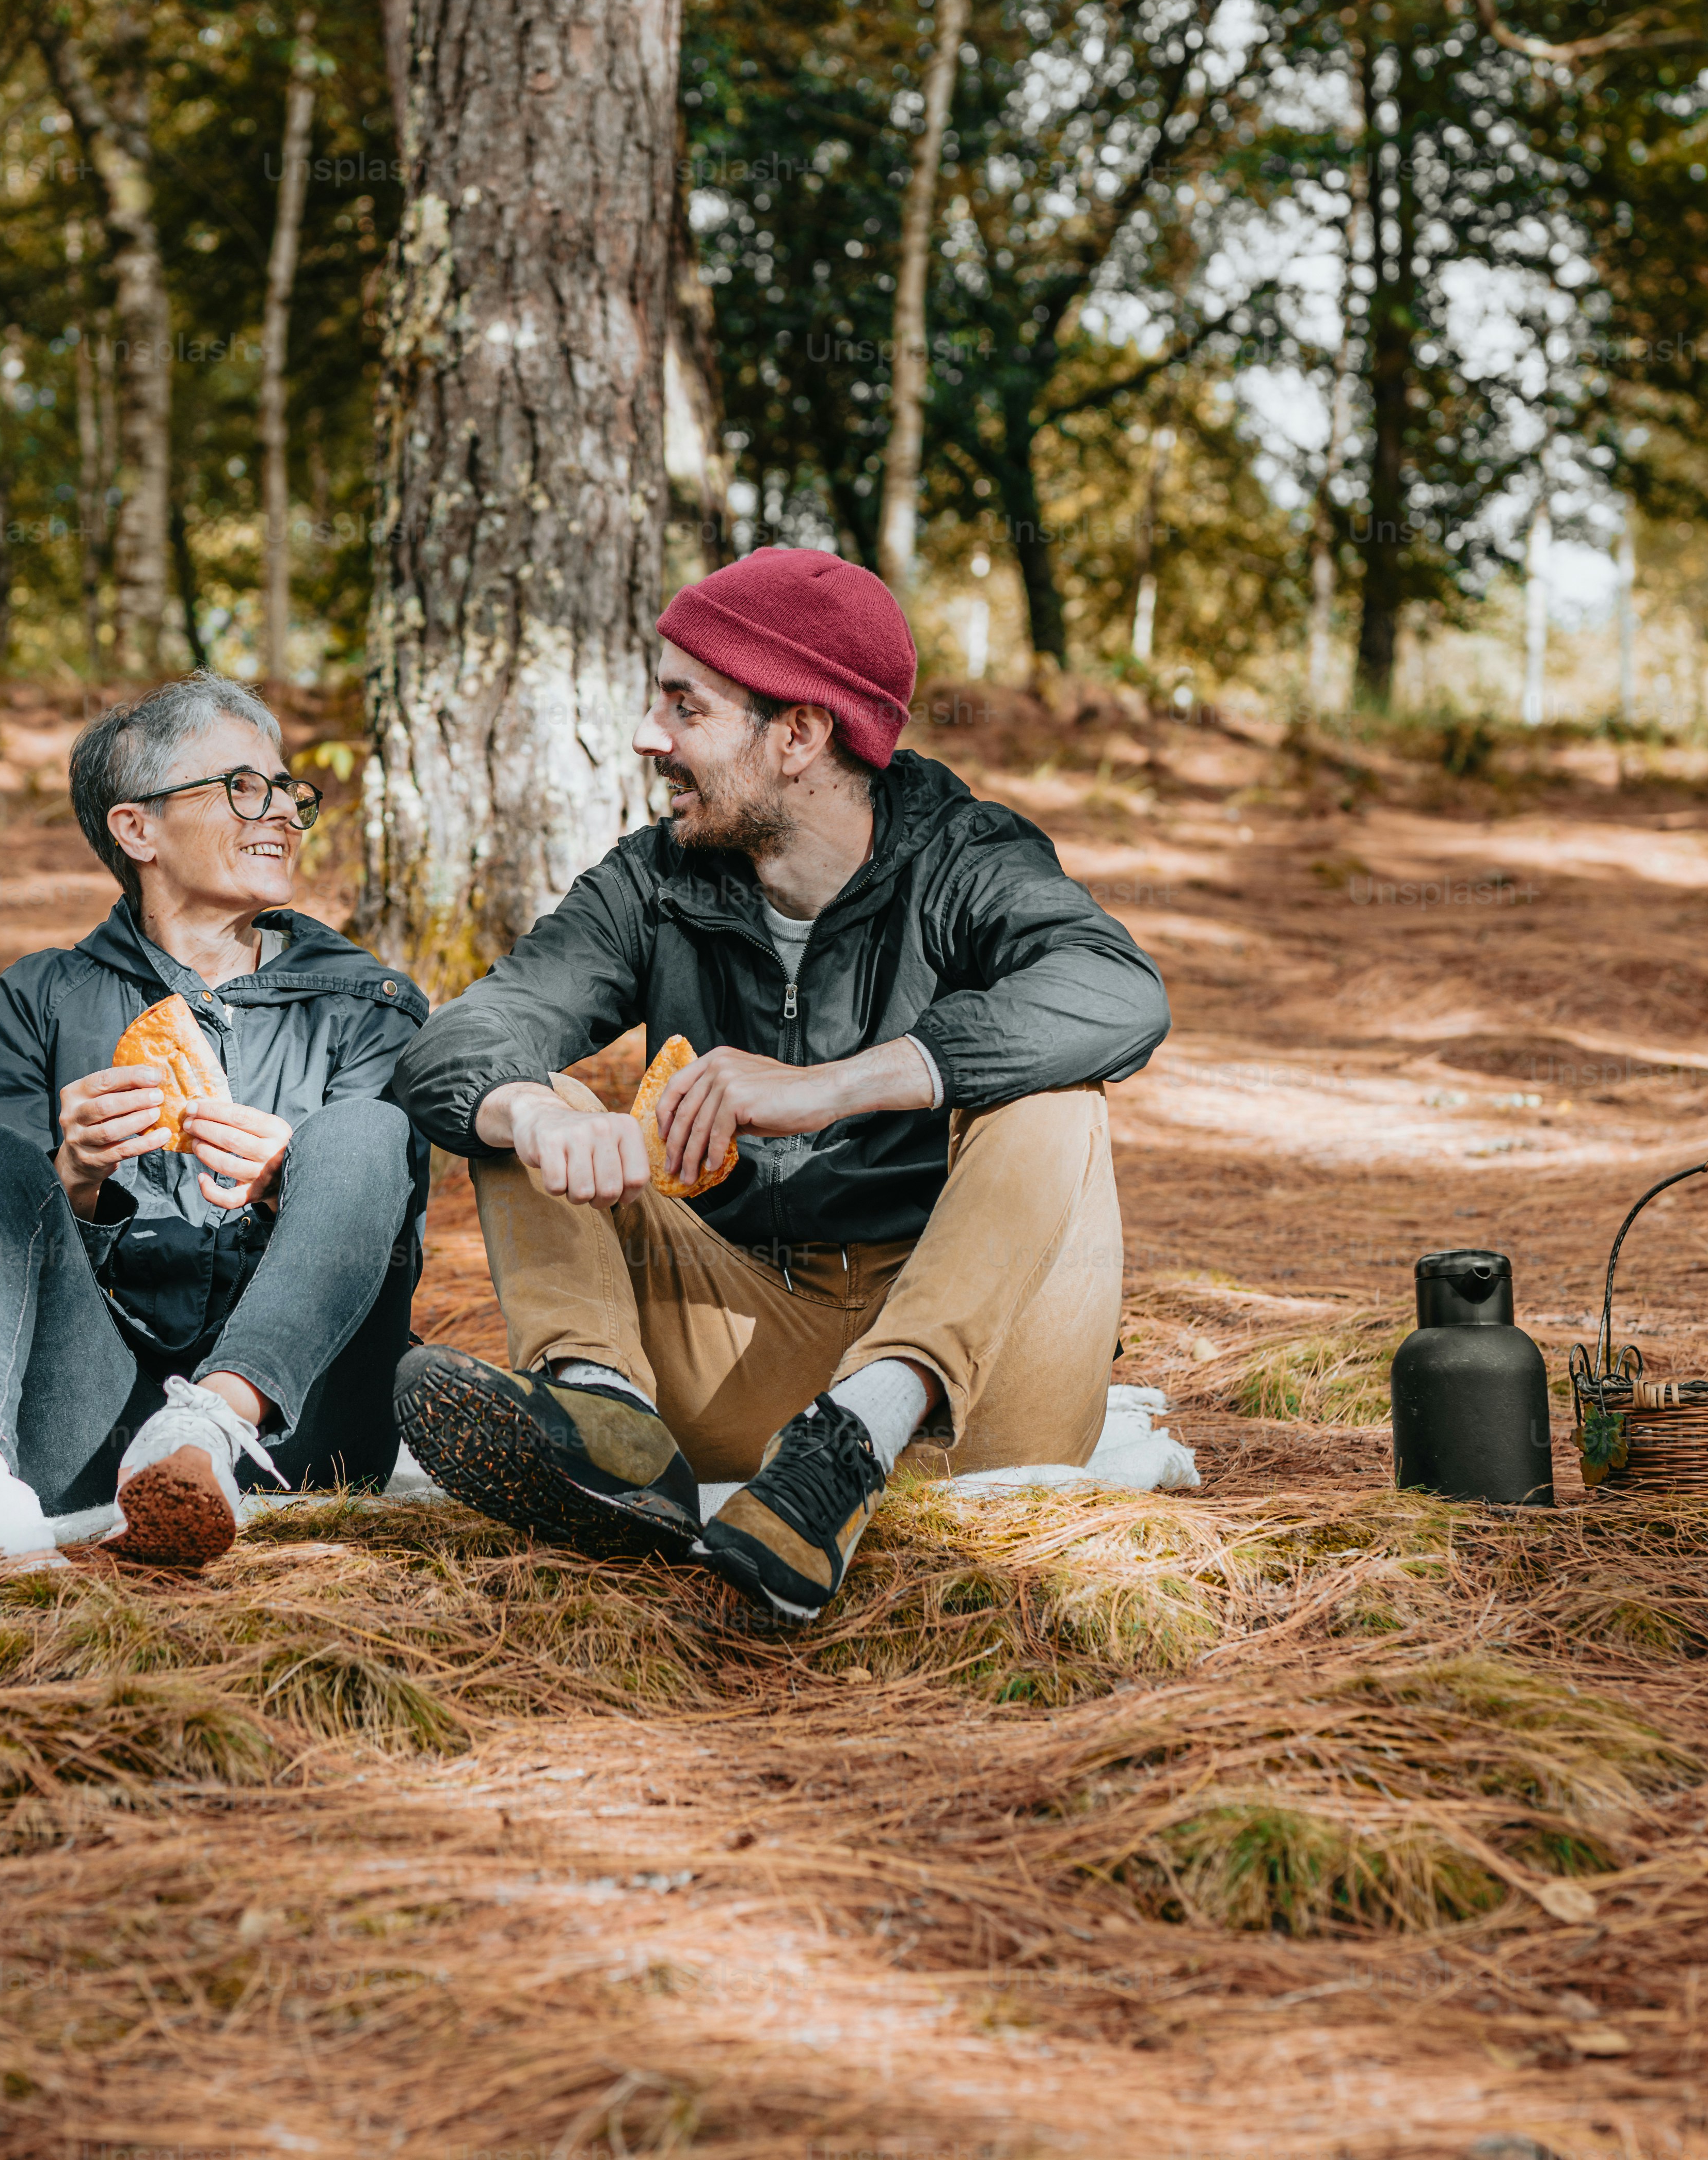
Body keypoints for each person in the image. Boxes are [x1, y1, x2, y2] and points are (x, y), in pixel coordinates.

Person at [387, 547, 1169, 1626]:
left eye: (685, 706)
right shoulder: (655, 879)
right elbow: (465, 1034)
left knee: (1056, 1092)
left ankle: (851, 1440)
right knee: (523, 1103)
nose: (648, 736)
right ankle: (610, 1433)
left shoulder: (963, 858)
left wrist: (836, 1085)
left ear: (798, 734)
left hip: (973, 1372)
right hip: (738, 1337)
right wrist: (532, 1114)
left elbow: (1119, 991)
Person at [0, 674, 429, 1593]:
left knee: (366, 1132)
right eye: (244, 787)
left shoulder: (366, 1005)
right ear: (138, 831)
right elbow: (4, 1247)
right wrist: (76, 1179)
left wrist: (292, 1180)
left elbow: (390, 1239)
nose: (284, 814)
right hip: (87, 1430)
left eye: (289, 790)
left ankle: (209, 1421)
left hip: (304, 1429)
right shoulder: (35, 1003)